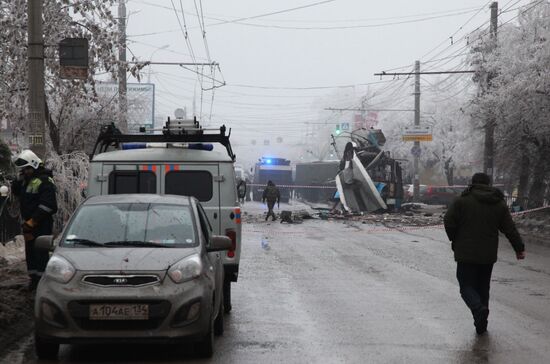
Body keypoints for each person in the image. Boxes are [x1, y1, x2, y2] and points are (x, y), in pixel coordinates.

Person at [444, 172, 525, 335]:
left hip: (465, 253)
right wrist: (519, 248)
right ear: (489, 185)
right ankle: (481, 324)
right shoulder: (498, 203)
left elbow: (448, 221)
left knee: (466, 286)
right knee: (483, 288)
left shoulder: (462, 201)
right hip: (487, 255)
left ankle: (478, 309)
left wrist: (455, 238)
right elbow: (509, 229)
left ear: (472, 183)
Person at [11, 150, 58, 289]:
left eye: (27, 169)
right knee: (30, 252)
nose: (24, 172)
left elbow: (48, 206)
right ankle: (33, 280)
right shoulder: (28, 181)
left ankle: (43, 284)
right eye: (23, 170)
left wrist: (33, 222)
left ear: (35, 165)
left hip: (41, 224)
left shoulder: (44, 181)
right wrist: (18, 180)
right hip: (29, 225)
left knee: (40, 253)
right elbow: (16, 192)